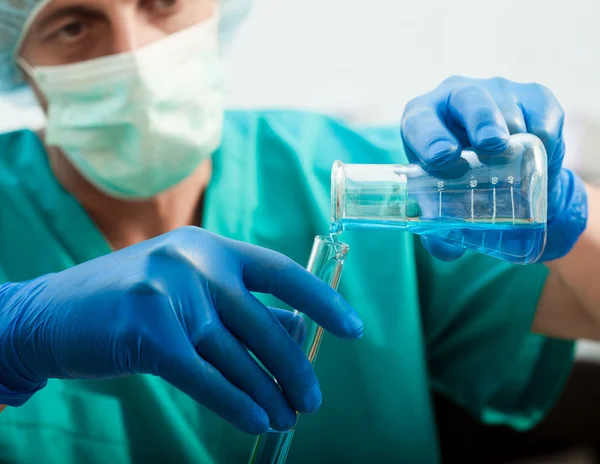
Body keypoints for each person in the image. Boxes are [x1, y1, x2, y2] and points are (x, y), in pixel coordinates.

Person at [0, 1, 597, 463]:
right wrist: (14, 338)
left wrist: (566, 214)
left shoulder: (360, 181)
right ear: (18, 52)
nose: (133, 52)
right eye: (73, 24)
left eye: (163, 0)